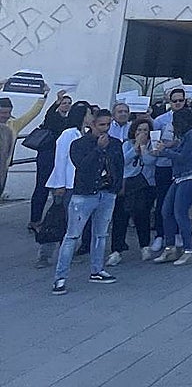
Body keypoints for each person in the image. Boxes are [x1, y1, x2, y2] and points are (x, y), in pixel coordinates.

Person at [51, 109, 124, 294]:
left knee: (100, 234)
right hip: (84, 194)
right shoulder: (79, 144)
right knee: (72, 235)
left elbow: (118, 166)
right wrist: (98, 149)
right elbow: (82, 166)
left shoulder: (115, 143)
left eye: (108, 125)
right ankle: (60, 278)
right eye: (101, 125)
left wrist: (115, 189)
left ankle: (97, 270)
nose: (105, 129)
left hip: (106, 193)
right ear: (92, 125)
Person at [151, 107, 192, 266]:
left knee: (180, 212)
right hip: (181, 176)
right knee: (166, 210)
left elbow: (183, 157)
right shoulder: (188, 136)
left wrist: (163, 152)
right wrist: (170, 146)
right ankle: (170, 247)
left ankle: (189, 249)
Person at [28, 91, 72, 229]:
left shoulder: (69, 120)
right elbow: (49, 114)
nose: (66, 105)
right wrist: (57, 101)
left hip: (60, 157)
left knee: (58, 188)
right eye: (64, 103)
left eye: (69, 103)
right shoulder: (53, 117)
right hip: (48, 155)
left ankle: (55, 219)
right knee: (42, 187)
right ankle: (35, 220)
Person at [117, 116, 156, 261]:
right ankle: (117, 249)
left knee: (142, 215)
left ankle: (144, 246)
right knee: (121, 216)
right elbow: (123, 161)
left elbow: (150, 161)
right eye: (139, 130)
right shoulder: (127, 145)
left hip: (146, 185)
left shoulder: (153, 145)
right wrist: (135, 148)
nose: (142, 133)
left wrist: (144, 147)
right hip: (128, 184)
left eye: (145, 130)